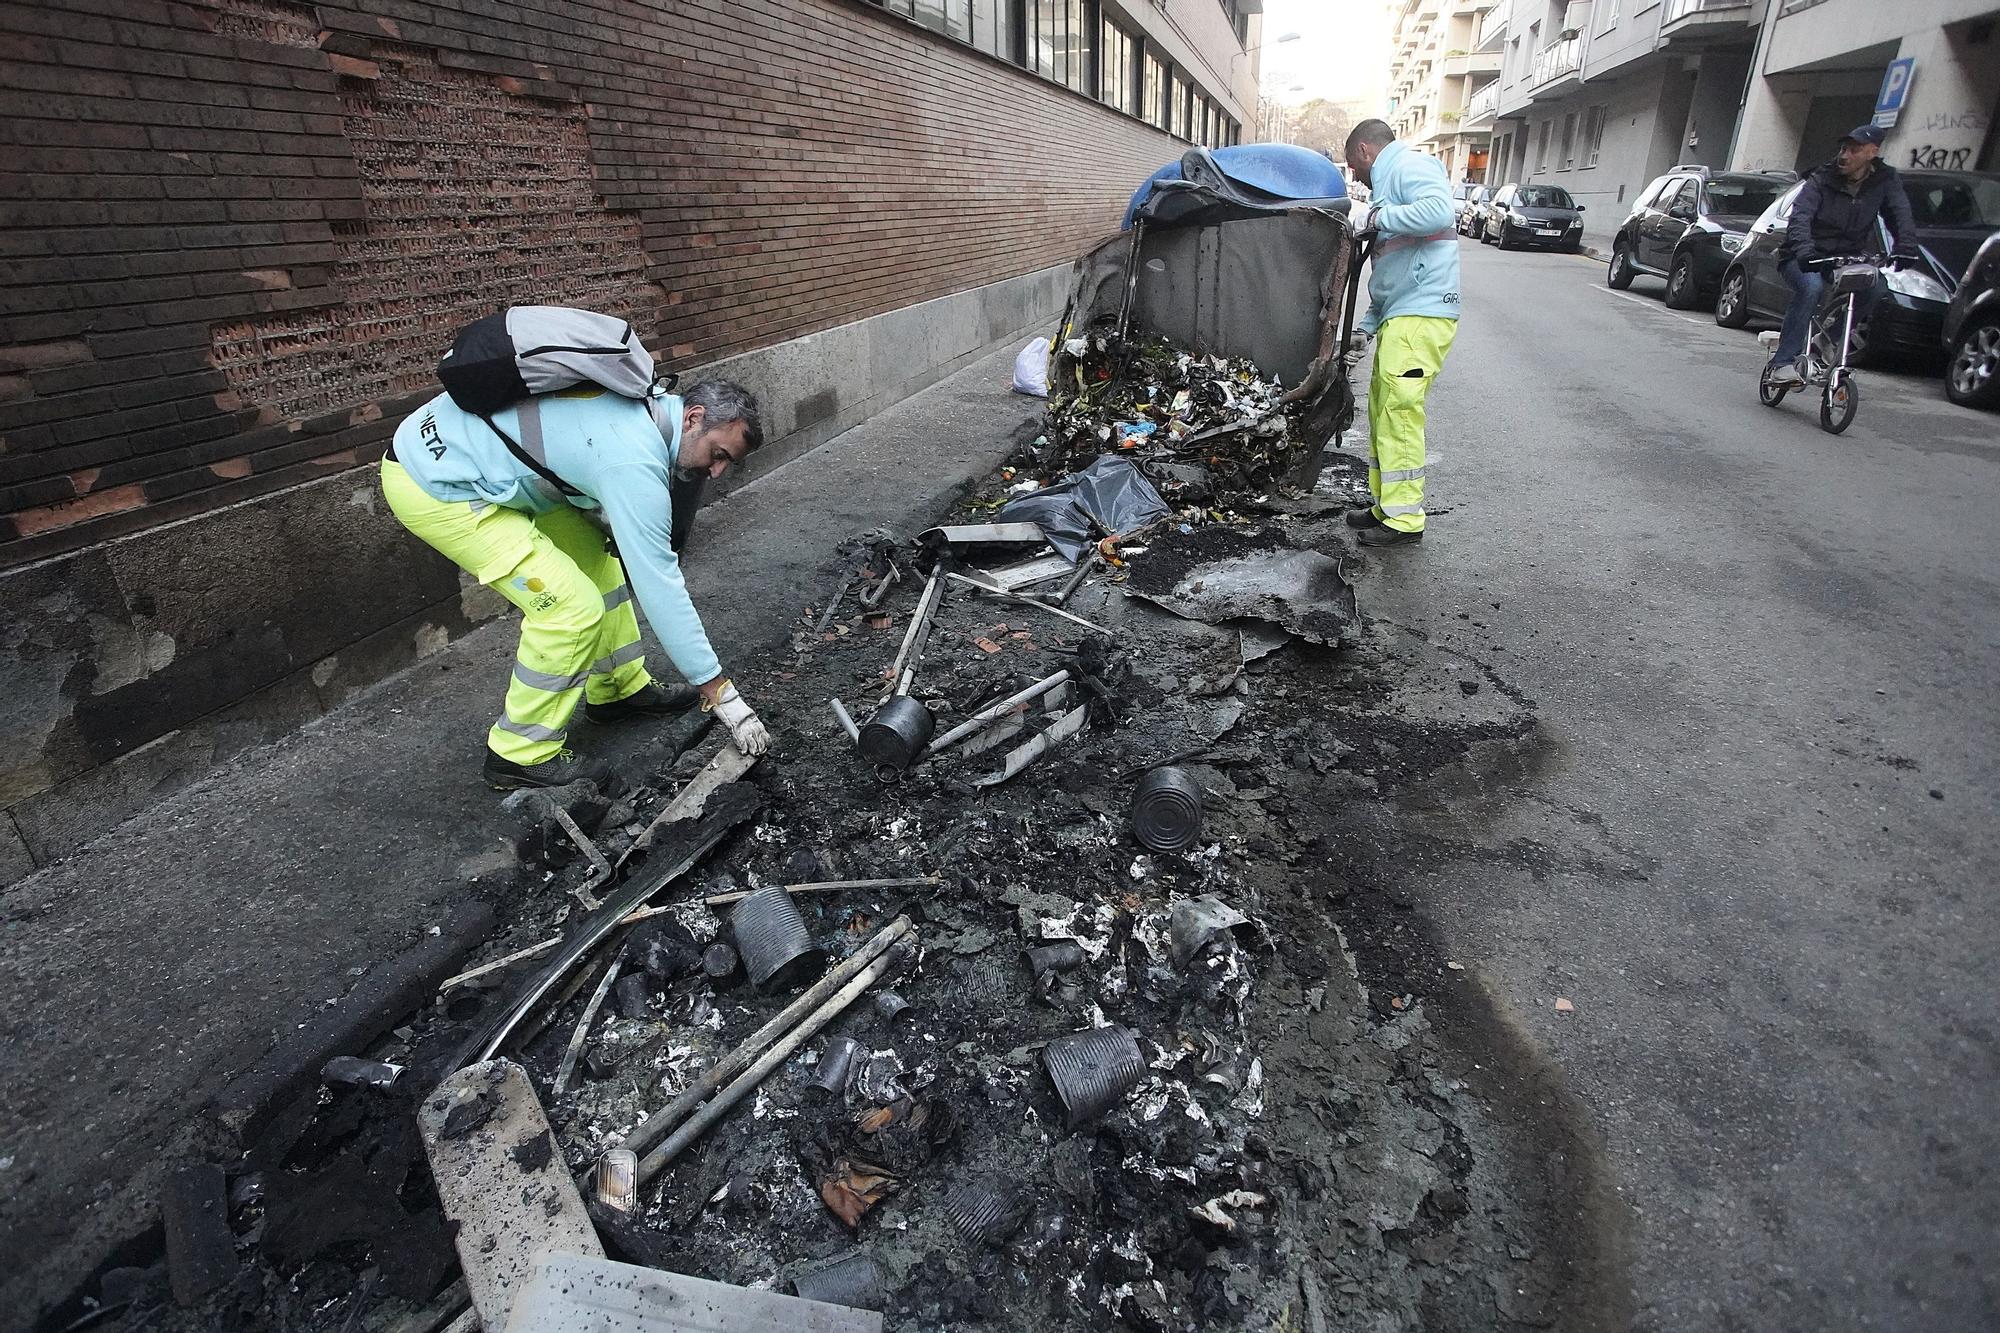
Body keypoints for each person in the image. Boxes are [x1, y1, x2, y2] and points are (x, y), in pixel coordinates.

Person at [381, 379, 772, 790]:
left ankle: (619, 689)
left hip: (478, 453)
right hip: (435, 481)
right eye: (718, 455)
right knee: (571, 609)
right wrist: (717, 690)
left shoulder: (647, 399)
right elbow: (660, 585)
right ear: (693, 417)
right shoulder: (632, 463)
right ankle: (520, 753)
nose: (716, 471)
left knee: (597, 564)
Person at [1339, 120, 1461, 548]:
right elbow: (1393, 271)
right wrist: (1366, 328)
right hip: (1403, 313)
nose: (1354, 175)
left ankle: (1404, 520)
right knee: (1382, 410)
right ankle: (1385, 504)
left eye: (1354, 164)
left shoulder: (1409, 166)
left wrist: (1375, 216)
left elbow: (1440, 212)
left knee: (1400, 414)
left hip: (1421, 315)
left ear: (1366, 150)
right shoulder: (1389, 183)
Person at [1766, 124, 1918, 388]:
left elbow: (1899, 214)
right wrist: (1804, 250)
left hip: (1845, 258)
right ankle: (1782, 363)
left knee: (1876, 287)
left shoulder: (1885, 181)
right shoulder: (1821, 178)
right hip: (1803, 255)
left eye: (1853, 150)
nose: (1844, 155)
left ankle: (1827, 340)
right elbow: (1801, 215)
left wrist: (1906, 246)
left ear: (1872, 152)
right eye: (1843, 149)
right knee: (1810, 288)